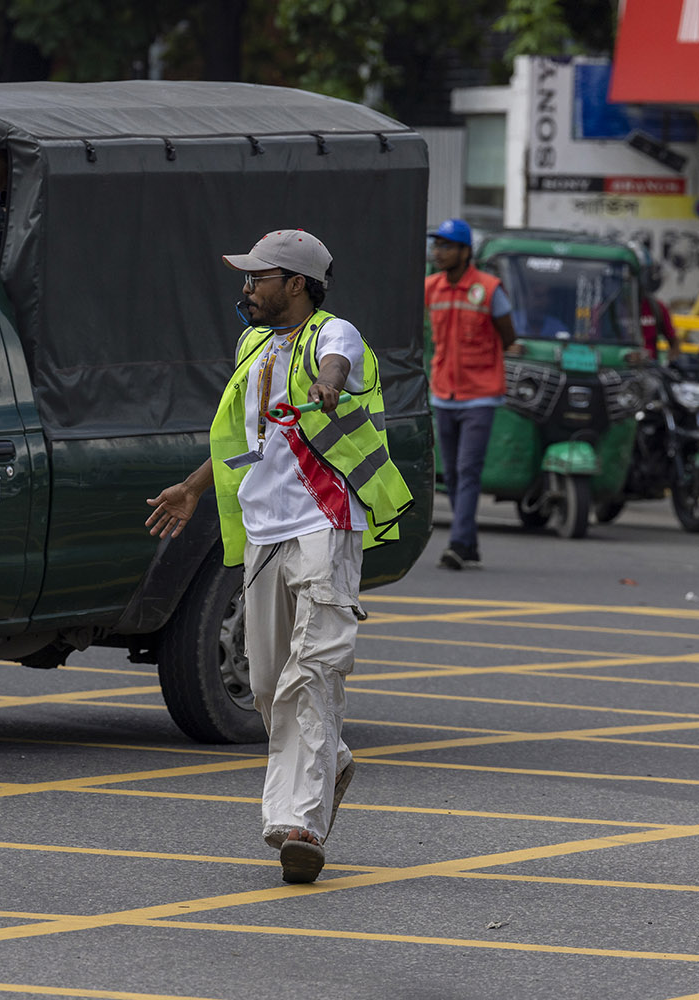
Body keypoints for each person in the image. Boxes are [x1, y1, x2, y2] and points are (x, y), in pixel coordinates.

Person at [144, 229, 413, 885]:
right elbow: (247, 442)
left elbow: (338, 367)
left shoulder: (333, 334)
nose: (246, 288)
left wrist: (327, 387)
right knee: (266, 684)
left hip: (325, 520)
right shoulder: (252, 347)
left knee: (313, 671)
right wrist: (191, 488)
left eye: (258, 277)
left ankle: (302, 826)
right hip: (265, 532)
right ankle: (332, 761)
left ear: (295, 283)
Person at [424, 217, 518, 571]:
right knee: (452, 472)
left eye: (447, 246)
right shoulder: (431, 287)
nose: (439, 252)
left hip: (480, 395)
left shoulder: (489, 289)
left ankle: (460, 544)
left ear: (466, 252)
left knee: (467, 469)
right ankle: (471, 544)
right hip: (443, 393)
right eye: (437, 245)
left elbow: (508, 336)